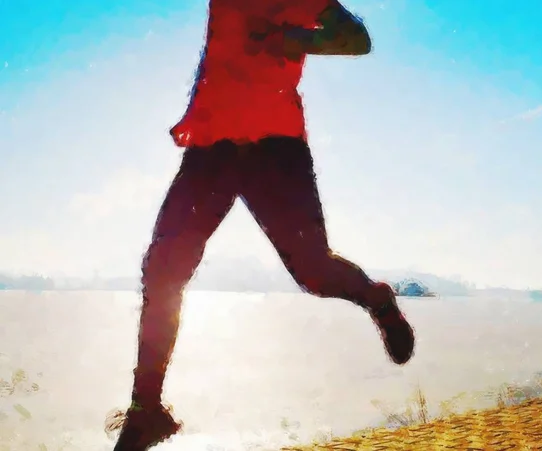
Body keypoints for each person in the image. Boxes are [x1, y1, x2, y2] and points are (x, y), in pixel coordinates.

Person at [112, 0, 415, 449]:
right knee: (162, 268)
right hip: (212, 146)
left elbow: (357, 39)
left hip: (276, 146)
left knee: (313, 270)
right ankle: (146, 410)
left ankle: (376, 298)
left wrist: (289, 38)